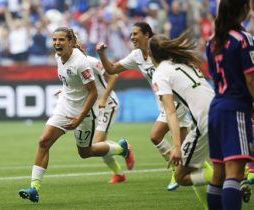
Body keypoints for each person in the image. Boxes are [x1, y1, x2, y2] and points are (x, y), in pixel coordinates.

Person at [18, 26, 134, 203]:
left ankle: (121, 148)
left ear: (70, 42)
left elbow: (93, 93)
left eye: (61, 40)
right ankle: (34, 188)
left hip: (84, 114)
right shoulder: (59, 57)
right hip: (64, 107)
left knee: (86, 152)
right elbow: (71, 82)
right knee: (43, 141)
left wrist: (80, 118)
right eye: (55, 40)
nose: (57, 43)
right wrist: (64, 90)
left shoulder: (81, 62)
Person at [96, 21, 191, 191]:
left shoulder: (161, 51)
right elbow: (111, 69)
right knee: (186, 148)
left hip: (179, 99)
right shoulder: (136, 56)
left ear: (147, 35)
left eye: (135, 33)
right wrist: (101, 53)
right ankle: (197, 172)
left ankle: (177, 170)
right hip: (164, 102)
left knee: (155, 136)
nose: (132, 37)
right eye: (131, 34)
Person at [148, 31, 215, 209]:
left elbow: (170, 112)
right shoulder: (185, 63)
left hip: (206, 121)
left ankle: (226, 177)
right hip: (222, 110)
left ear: (151, 54)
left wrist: (176, 146)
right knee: (199, 168)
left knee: (181, 177)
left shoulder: (161, 73)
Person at [206, 0, 254, 209]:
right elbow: (251, 79)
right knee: (234, 173)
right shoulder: (243, 40)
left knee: (218, 173)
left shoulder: (212, 42)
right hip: (235, 108)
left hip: (216, 108)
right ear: (243, 9)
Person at [87, 55, 132, 183]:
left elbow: (114, 75)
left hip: (107, 105)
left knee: (95, 145)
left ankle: (124, 149)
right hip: (95, 107)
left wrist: (104, 98)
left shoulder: (91, 62)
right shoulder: (70, 63)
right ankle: (119, 174)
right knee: (100, 146)